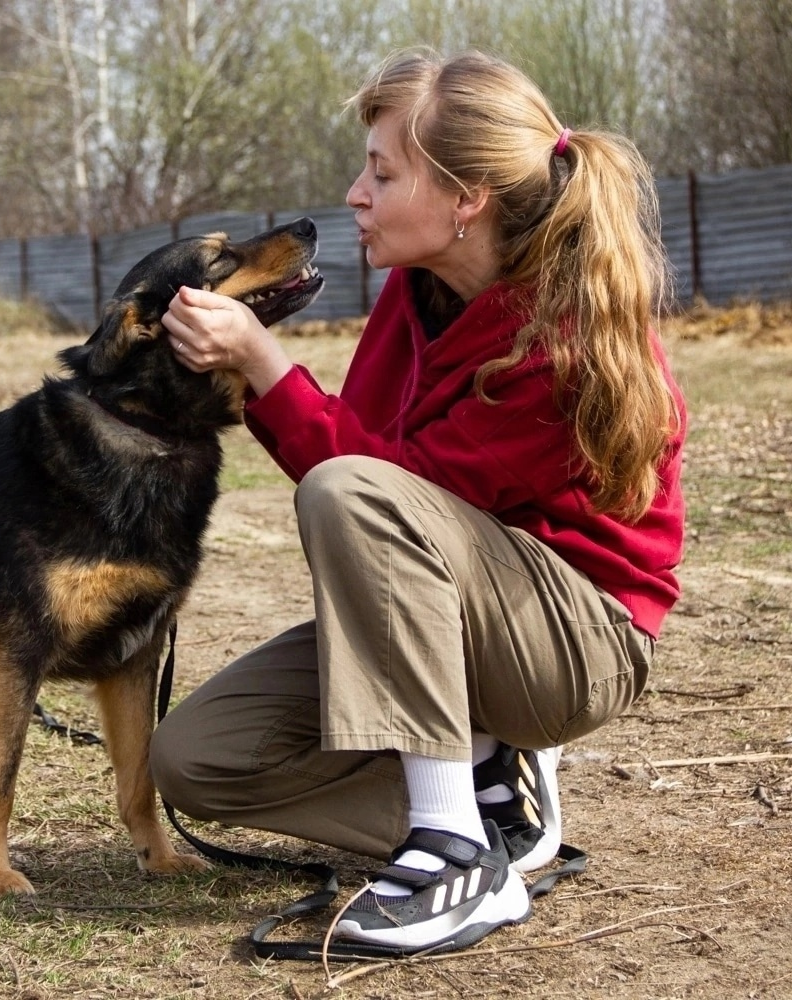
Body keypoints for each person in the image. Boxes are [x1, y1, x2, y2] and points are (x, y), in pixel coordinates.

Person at [152, 49, 686, 953]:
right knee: (198, 756)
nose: (355, 194)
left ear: (466, 197)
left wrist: (263, 363)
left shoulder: (560, 342)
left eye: (382, 171)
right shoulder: (419, 287)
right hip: (457, 609)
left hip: (573, 644)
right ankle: (492, 811)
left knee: (352, 491)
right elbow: (364, 453)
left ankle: (448, 851)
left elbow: (386, 490)